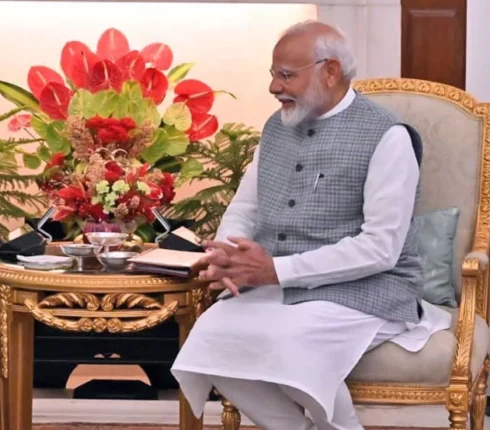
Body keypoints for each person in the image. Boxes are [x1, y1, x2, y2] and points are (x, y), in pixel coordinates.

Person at [170, 20, 453, 430]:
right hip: (281, 286)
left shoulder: (387, 136)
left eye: (286, 75)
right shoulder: (276, 127)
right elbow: (246, 208)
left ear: (330, 71)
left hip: (367, 289)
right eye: (273, 74)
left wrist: (277, 270)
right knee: (210, 336)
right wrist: (228, 254)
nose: (274, 87)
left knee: (292, 343)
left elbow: (380, 248)